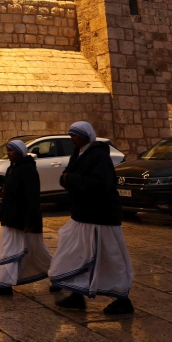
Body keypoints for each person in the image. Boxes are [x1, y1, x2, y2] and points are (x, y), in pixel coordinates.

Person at [48, 121, 135, 313]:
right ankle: (76, 295)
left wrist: (70, 179)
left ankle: (122, 299)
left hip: (101, 217)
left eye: (75, 135)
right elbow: (68, 175)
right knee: (75, 254)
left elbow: (100, 185)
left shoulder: (98, 156)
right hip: (83, 216)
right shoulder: (78, 153)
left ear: (86, 136)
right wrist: (67, 179)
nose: (72, 139)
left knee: (110, 259)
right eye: (71, 135)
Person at [0, 140, 52, 296]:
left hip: (22, 221)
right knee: (15, 251)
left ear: (19, 152)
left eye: (11, 151)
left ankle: (59, 275)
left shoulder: (28, 170)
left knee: (33, 252)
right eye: (7, 150)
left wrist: (30, 221)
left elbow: (32, 198)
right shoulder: (12, 169)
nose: (8, 154)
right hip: (11, 220)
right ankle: (4, 284)